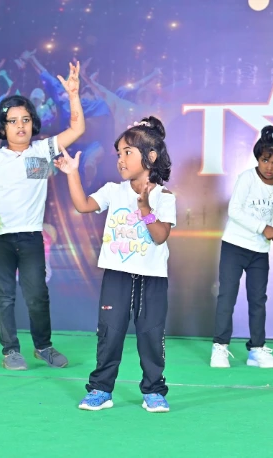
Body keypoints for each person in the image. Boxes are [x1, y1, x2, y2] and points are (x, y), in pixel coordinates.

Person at [55, 116, 175, 413]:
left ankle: (153, 390)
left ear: (150, 156)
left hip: (151, 277)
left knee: (151, 334)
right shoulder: (113, 190)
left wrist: (145, 208)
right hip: (117, 275)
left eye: (128, 152)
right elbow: (83, 205)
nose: (120, 159)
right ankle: (101, 389)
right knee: (109, 333)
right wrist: (72, 173)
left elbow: (160, 236)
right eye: (118, 153)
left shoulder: (164, 196)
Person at [0, 62, 85, 370]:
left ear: (33, 123)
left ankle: (43, 347)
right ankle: (10, 351)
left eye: (25, 120)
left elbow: (77, 129)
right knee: (4, 296)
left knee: (37, 295)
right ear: (3, 127)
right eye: (12, 121)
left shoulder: (42, 151)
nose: (19, 126)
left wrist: (73, 95)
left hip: (31, 236)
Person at [210, 125, 273, 369]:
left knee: (258, 300)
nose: (269, 167)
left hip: (260, 252)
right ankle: (220, 347)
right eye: (265, 160)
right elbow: (234, 210)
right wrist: (263, 227)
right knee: (227, 297)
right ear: (258, 158)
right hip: (235, 246)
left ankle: (257, 349)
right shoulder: (247, 178)